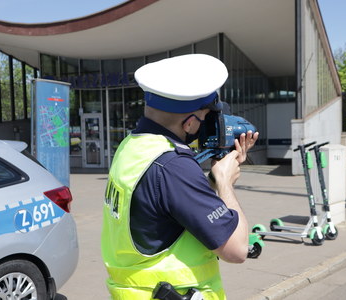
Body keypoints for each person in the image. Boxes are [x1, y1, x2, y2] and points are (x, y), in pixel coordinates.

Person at [101, 54, 259, 300]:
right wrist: (225, 184)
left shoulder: (132, 147)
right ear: (189, 123)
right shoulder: (174, 166)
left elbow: (164, 208)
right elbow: (237, 249)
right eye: (207, 116)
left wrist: (210, 182)